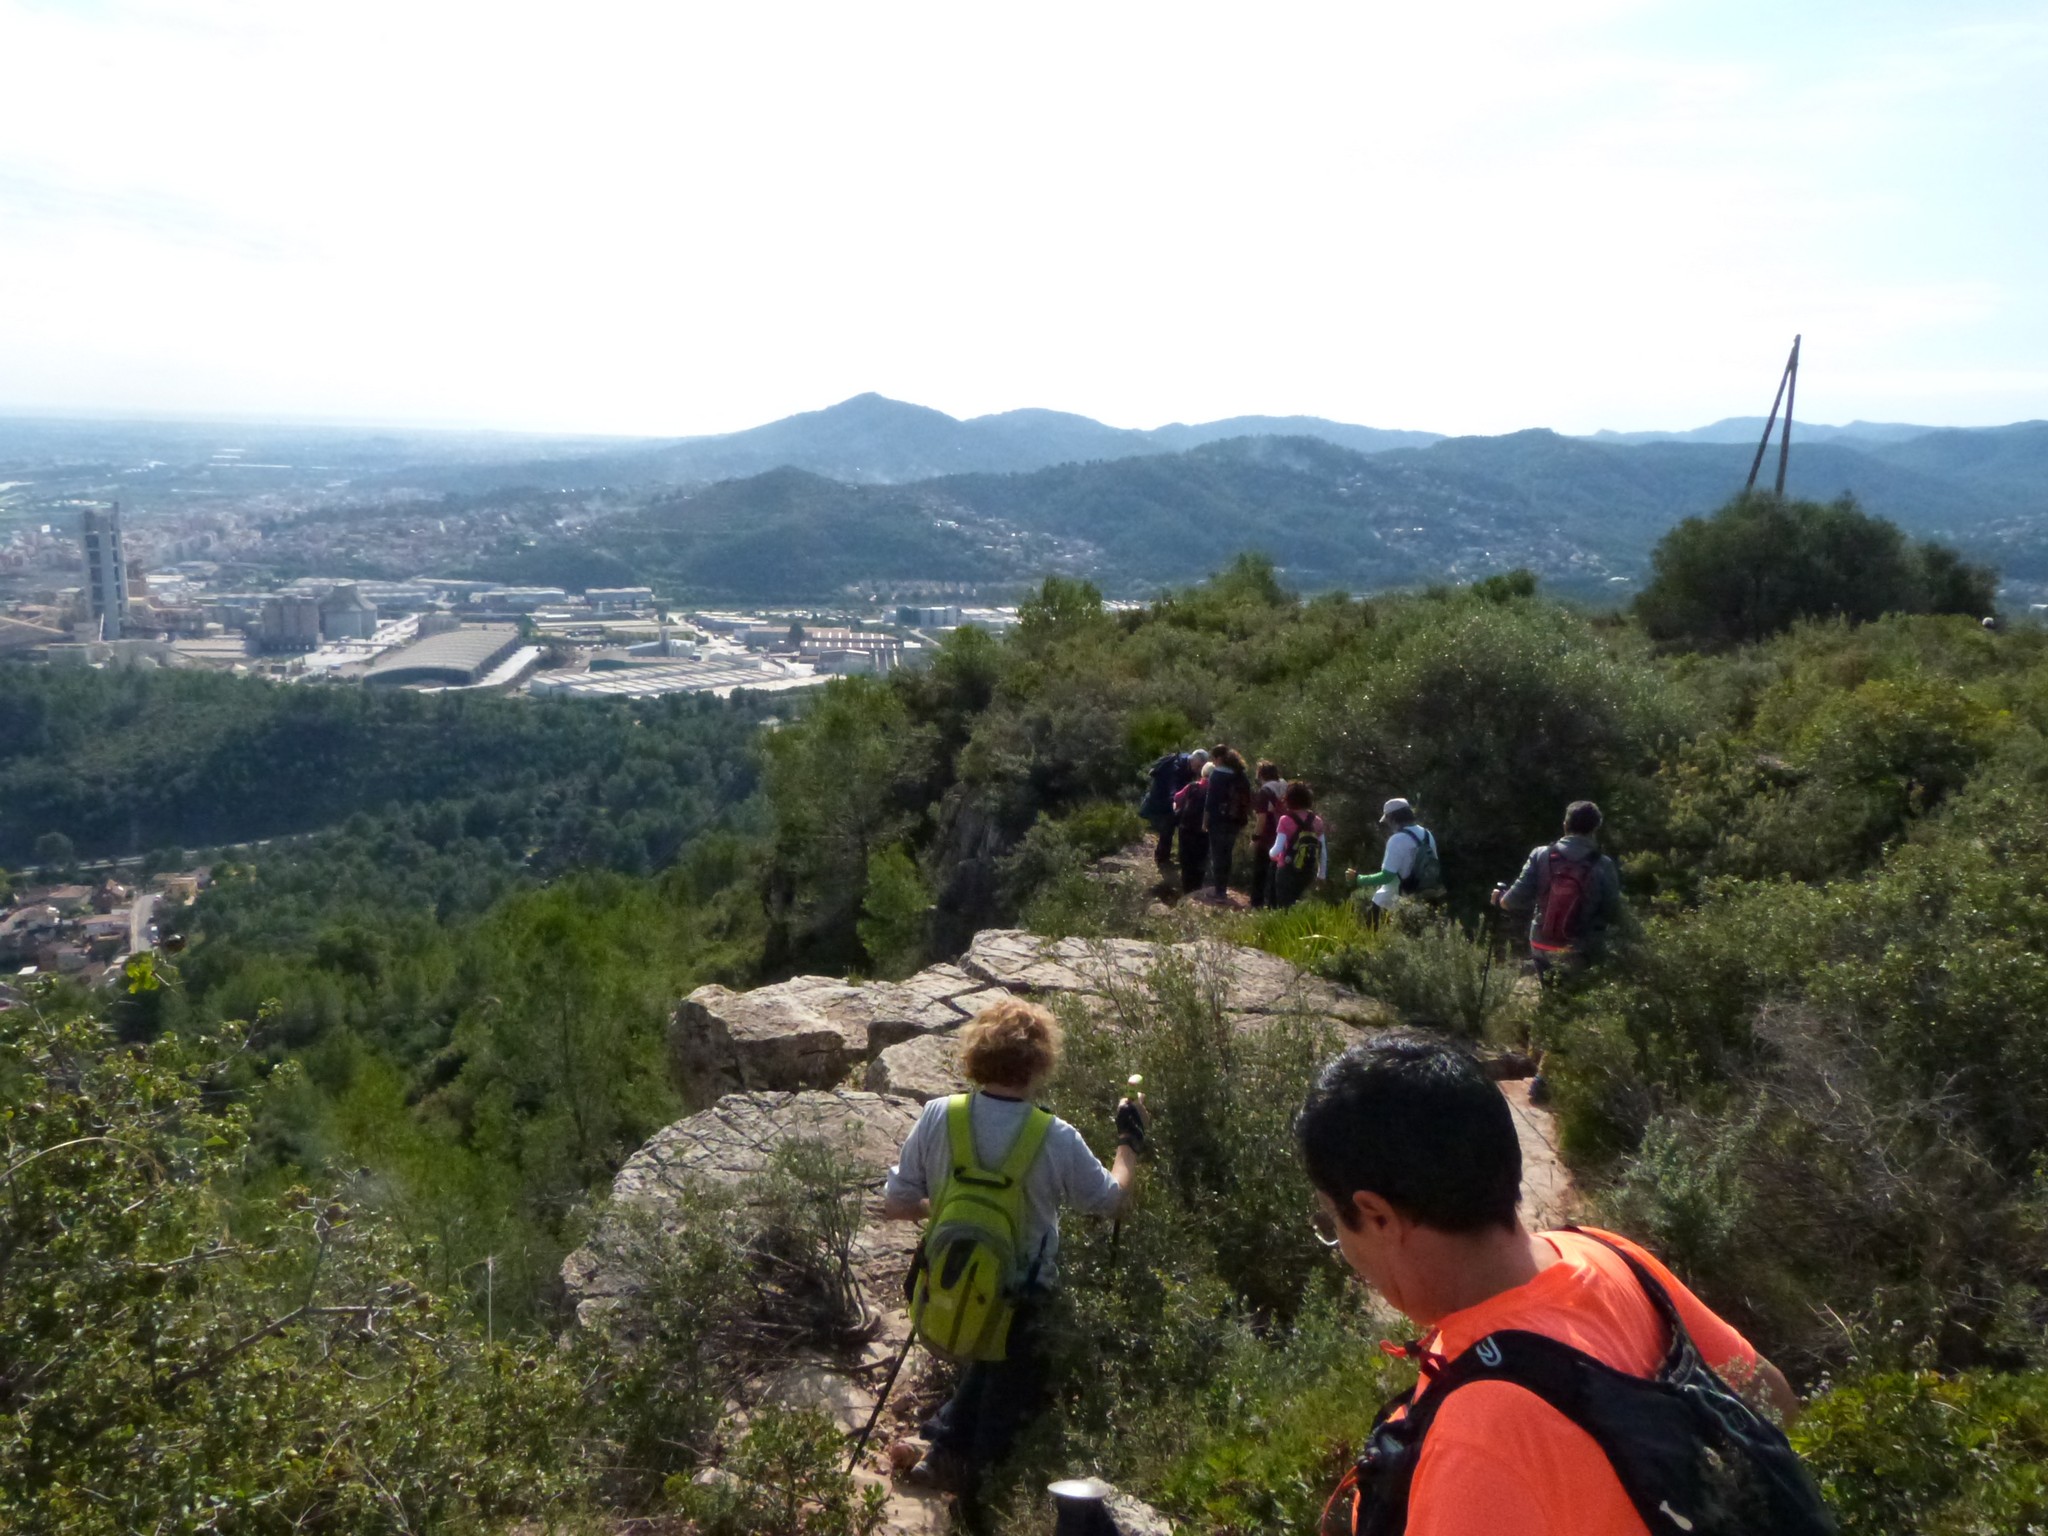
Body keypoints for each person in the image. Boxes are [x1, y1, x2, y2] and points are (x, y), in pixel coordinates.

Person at [1298, 1034, 1815, 1536]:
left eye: (1333, 1222)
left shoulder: (1479, 1437)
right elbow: (1771, 1398)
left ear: (1377, 1215)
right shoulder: (1607, 1254)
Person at [881, 999, 1147, 1499]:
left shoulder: (939, 1115)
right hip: (1023, 1301)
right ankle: (979, 1497)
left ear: (975, 1054)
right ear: (1040, 1063)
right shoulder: (1054, 1136)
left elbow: (895, 1204)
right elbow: (1113, 1202)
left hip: (944, 1287)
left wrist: (953, 1206)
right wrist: (1128, 1145)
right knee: (1009, 1401)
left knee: (986, 1359)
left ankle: (941, 1452)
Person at [1491, 799, 1622, 976]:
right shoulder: (1603, 864)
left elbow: (1512, 900)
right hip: (1581, 950)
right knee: (1579, 991)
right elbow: (1613, 912)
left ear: (1565, 825)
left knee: (1549, 990)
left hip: (1542, 944)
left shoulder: (1541, 855)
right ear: (1595, 829)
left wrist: (1500, 898)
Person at [1347, 798, 1439, 917]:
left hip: (1391, 904)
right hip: (1425, 901)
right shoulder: (1427, 834)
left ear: (1392, 818)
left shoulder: (1397, 840)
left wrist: (1359, 879)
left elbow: (1386, 877)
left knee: (1372, 927)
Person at [1138, 747, 1207, 875]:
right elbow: (1172, 786)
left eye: (1200, 768)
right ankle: (1162, 860)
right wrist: (1177, 801)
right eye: (1198, 767)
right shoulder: (1176, 767)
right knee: (1167, 828)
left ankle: (1167, 856)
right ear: (1193, 760)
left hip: (1172, 799)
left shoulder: (1188, 764)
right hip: (1162, 799)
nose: (1198, 770)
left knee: (1172, 828)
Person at [1203, 745, 1254, 899]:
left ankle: (1219, 890)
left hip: (1218, 820)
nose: (1213, 762)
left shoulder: (1217, 775)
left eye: (1214, 759)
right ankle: (1223, 888)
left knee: (1217, 854)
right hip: (1235, 820)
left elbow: (1210, 801)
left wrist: (1205, 821)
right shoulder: (1241, 775)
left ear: (1219, 758)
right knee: (1227, 853)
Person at [1267, 780, 1327, 908]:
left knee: (1284, 907)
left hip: (1287, 870)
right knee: (1301, 908)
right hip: (1308, 872)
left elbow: (1277, 849)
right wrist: (1321, 875)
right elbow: (1323, 852)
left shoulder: (1285, 820)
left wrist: (1270, 854)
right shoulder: (1317, 821)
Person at [1248, 761, 1290, 909]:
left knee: (1260, 871)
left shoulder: (1264, 792)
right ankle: (1274, 905)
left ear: (1260, 775)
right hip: (1285, 835)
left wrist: (1255, 838)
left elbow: (1262, 819)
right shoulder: (1286, 788)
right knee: (1277, 871)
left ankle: (1256, 904)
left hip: (1267, 836)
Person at [1171, 762, 1212, 894]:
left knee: (1186, 860)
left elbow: (1177, 798)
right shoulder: (1215, 790)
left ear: (1203, 773)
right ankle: (1197, 889)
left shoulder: (1192, 786)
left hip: (1186, 828)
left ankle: (1186, 891)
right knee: (1200, 860)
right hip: (1204, 831)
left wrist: (1177, 809)